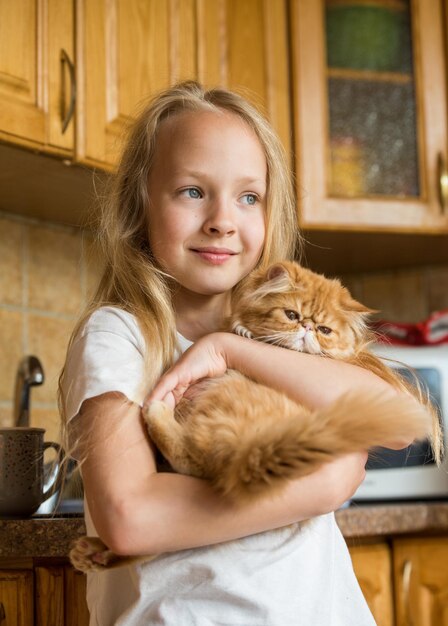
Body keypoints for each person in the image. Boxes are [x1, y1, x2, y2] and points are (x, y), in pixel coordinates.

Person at [59, 80, 392, 625]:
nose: (222, 219)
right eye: (192, 191)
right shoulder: (120, 334)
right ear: (141, 202)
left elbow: (394, 422)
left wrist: (227, 350)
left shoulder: (283, 334)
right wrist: (322, 485)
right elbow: (129, 520)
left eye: (248, 197)